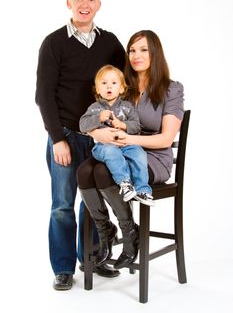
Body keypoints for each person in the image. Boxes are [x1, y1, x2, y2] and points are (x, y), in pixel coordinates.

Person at [35, 0, 126, 290]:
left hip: (99, 138)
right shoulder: (54, 43)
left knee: (93, 203)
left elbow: (122, 90)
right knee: (62, 204)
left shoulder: (112, 43)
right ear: (69, 3)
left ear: (99, 4)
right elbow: (43, 95)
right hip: (65, 136)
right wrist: (57, 137)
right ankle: (63, 268)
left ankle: (91, 260)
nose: (85, 4)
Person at [77, 30, 184, 270]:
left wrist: (128, 138)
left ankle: (129, 234)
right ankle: (106, 231)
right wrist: (96, 132)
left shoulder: (171, 89)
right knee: (84, 171)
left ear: (155, 53)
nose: (136, 55)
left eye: (143, 49)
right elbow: (93, 119)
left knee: (103, 173)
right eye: (132, 50)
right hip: (116, 149)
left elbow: (166, 139)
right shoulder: (121, 86)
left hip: (151, 157)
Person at [79, 64, 154, 208]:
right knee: (111, 152)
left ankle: (142, 189)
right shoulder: (95, 108)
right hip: (103, 147)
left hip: (126, 145)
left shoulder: (127, 106)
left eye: (114, 83)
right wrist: (98, 118)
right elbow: (83, 125)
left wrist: (124, 125)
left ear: (121, 88)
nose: (109, 87)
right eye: (104, 83)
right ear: (98, 89)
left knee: (139, 154)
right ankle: (125, 184)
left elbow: (137, 126)